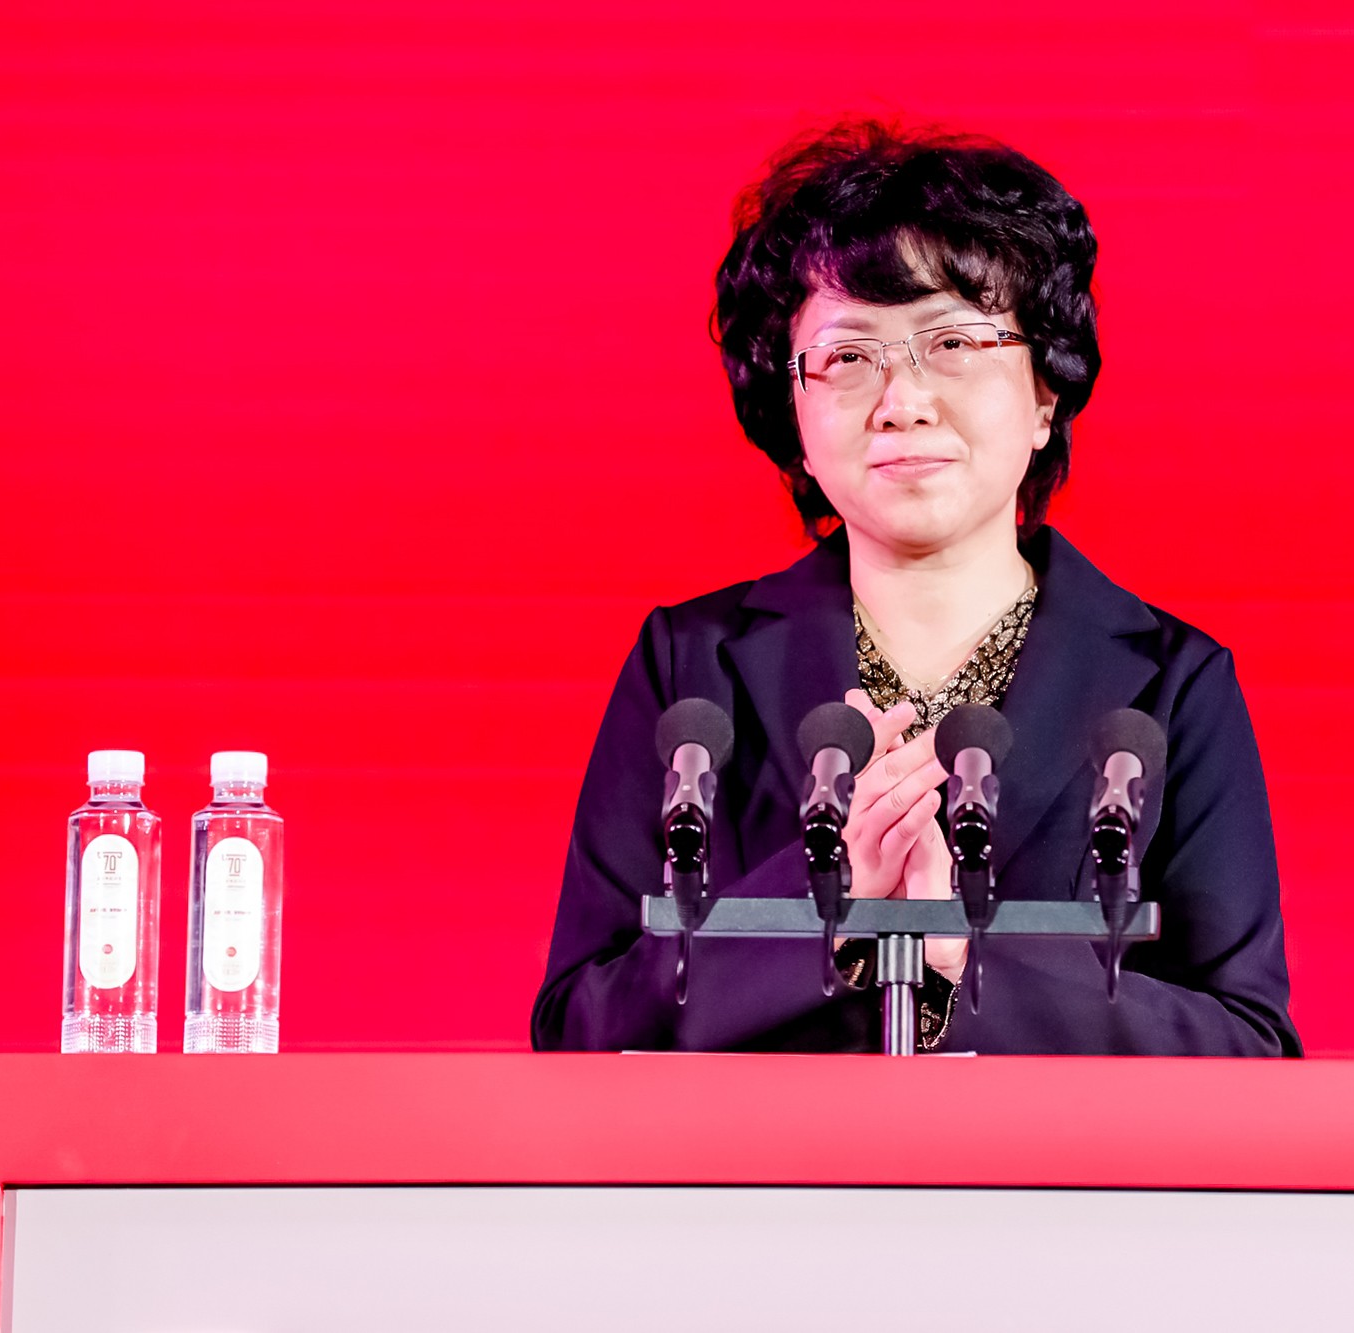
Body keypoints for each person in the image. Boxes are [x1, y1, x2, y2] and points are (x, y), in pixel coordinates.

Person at [531, 121, 1298, 1056]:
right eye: (849, 357)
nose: (903, 402)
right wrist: (824, 897)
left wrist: (957, 950)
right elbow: (579, 1024)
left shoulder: (1174, 683)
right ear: (794, 410)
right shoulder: (687, 666)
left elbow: (1247, 1045)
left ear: (1046, 392)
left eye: (954, 342)